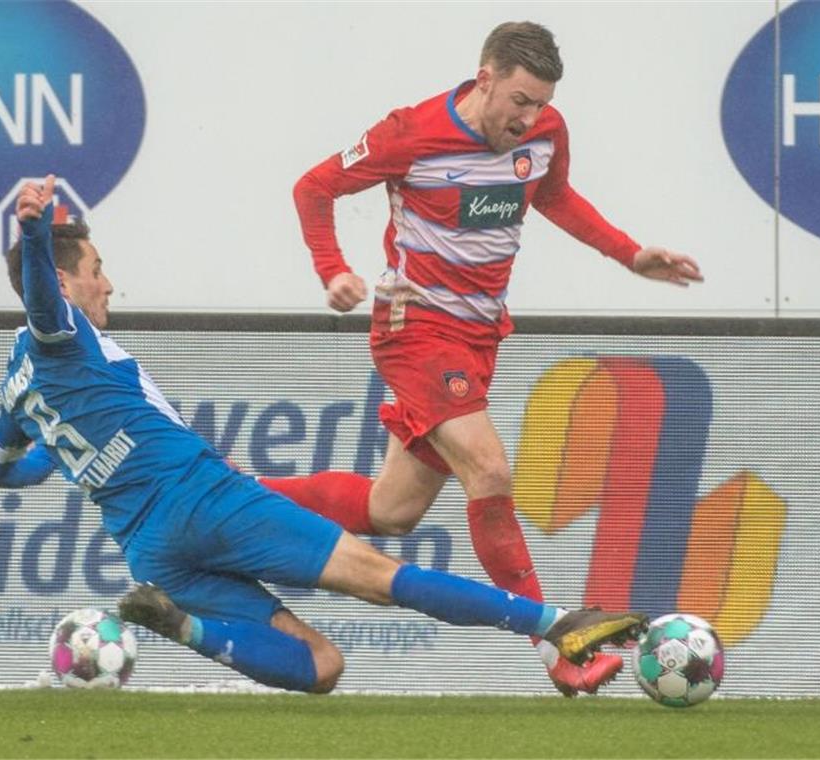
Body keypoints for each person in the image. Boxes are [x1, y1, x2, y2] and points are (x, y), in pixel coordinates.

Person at [0, 174, 649, 694]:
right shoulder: (61, 333)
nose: (109, 282)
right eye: (96, 268)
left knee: (322, 665)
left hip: (150, 550)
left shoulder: (19, 383)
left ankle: (187, 628)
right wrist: (36, 231)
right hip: (204, 500)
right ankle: (556, 624)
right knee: (380, 577)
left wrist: (66, 459)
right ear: (66, 281)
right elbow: (45, 304)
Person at [271, 21, 703, 697]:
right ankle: (557, 645)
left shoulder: (546, 132)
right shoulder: (409, 134)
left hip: (477, 338)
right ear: (486, 78)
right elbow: (313, 188)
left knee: (392, 511)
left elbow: (554, 196)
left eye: (541, 104)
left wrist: (628, 253)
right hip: (414, 330)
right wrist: (333, 270)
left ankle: (232, 496)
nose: (528, 118)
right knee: (491, 470)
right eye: (520, 101)